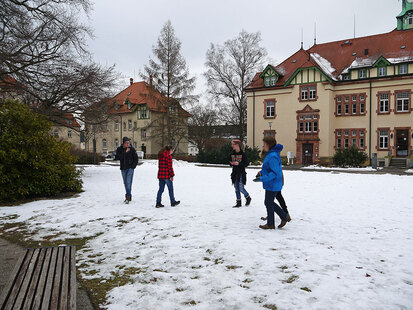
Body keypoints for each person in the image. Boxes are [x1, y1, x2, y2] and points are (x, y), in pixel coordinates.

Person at [254, 136, 288, 229]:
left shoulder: (272, 156)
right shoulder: (271, 154)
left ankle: (275, 221)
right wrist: (262, 173)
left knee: (268, 202)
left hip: (273, 183)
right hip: (272, 183)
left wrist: (262, 179)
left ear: (269, 144)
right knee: (269, 202)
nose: (263, 145)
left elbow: (274, 173)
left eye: (264, 144)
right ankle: (278, 219)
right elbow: (269, 169)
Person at [116, 137, 139, 204]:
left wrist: (133, 166)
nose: (128, 144)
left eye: (129, 143)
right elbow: (117, 157)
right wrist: (125, 153)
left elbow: (136, 159)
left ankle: (127, 197)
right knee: (125, 183)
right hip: (123, 169)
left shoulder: (132, 149)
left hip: (130, 168)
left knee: (128, 182)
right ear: (124, 143)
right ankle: (129, 195)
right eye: (127, 143)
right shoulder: (119, 149)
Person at [229, 139, 251, 208]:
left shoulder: (243, 154)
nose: (232, 146)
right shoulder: (232, 153)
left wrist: (238, 163)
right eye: (232, 144)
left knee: (241, 188)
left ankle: (248, 197)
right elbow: (229, 161)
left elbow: (246, 163)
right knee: (236, 188)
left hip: (241, 173)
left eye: (233, 144)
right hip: (234, 173)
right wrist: (231, 163)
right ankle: (238, 202)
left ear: (237, 145)